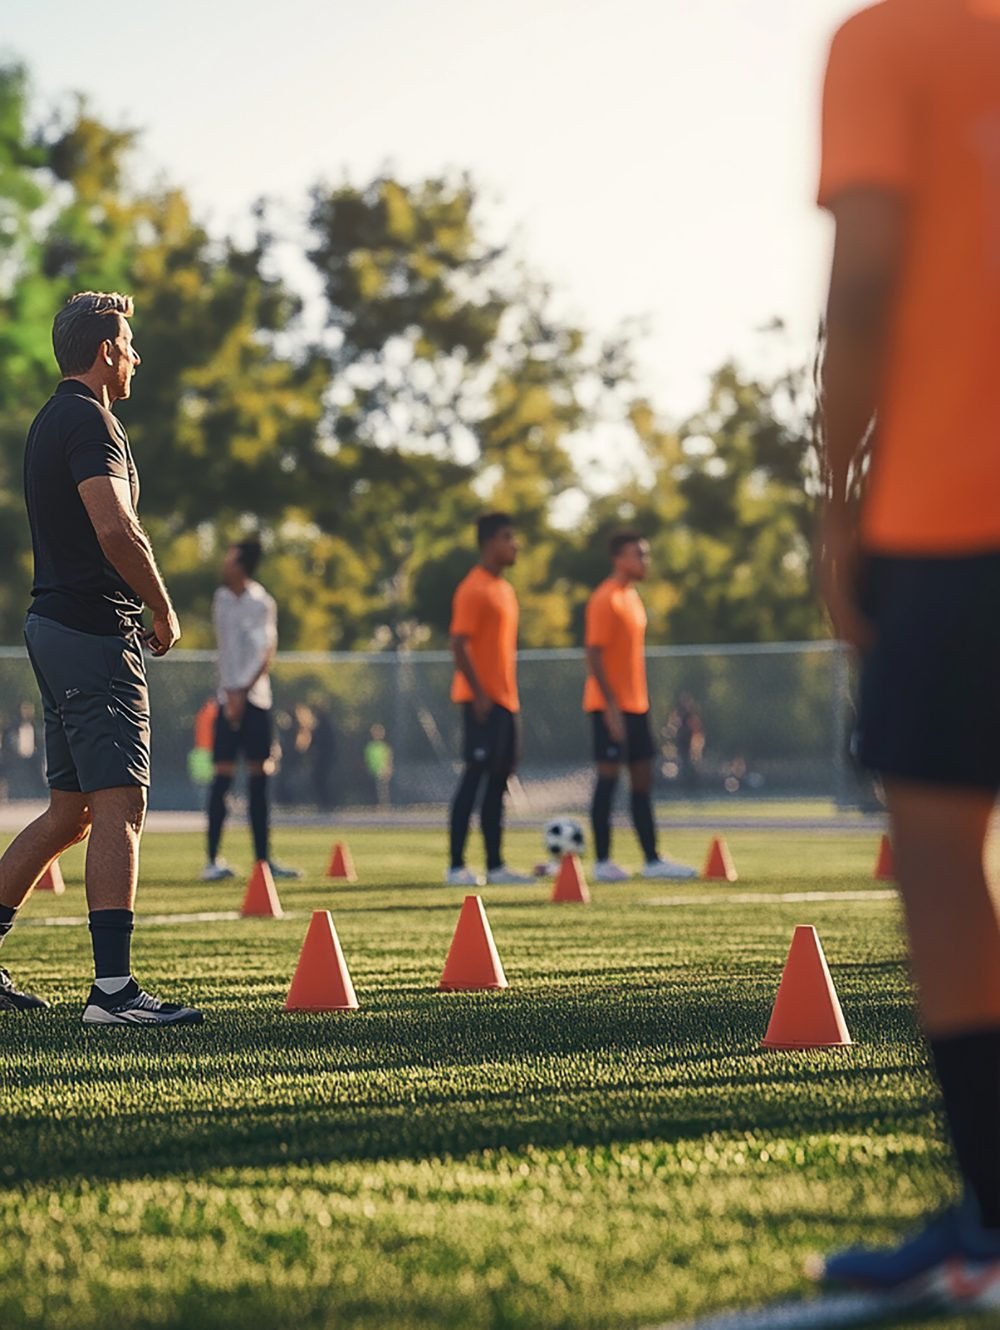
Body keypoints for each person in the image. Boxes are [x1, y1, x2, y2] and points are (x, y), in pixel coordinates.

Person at [813, 0, 1000, 1307]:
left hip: (956, 504)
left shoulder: (890, 40)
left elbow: (870, 270)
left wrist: (836, 490)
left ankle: (994, 1205)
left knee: (941, 851)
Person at [0, 290, 201, 1025]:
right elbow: (116, 529)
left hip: (54, 626)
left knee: (71, 812)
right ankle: (113, 994)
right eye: (129, 344)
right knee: (122, 803)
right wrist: (164, 604)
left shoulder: (52, 418)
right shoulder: (90, 420)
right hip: (90, 631)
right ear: (105, 351)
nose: (136, 356)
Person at [583, 533, 696, 882]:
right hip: (609, 706)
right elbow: (593, 653)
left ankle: (652, 858)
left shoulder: (633, 599)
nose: (645, 561)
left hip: (637, 705)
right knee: (608, 778)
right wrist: (611, 708)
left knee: (643, 780)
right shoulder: (605, 598)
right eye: (639, 555)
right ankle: (602, 861)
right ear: (618, 558)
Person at [203, 541, 300, 881]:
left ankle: (263, 860)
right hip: (226, 697)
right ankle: (212, 859)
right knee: (222, 778)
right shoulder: (221, 600)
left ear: (241, 564)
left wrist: (242, 692)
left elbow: (265, 651)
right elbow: (226, 651)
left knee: (260, 778)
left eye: (228, 558)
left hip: (255, 700)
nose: (223, 563)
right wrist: (229, 695)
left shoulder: (262, 603)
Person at [446, 513, 531, 886]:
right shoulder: (473, 587)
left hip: (506, 701)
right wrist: (479, 693)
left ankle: (496, 866)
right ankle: (456, 865)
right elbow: (459, 643)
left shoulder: (505, 590)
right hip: (481, 701)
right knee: (474, 777)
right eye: (508, 538)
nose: (515, 545)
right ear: (489, 543)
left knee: (500, 781)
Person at [364, 724, 393, 807]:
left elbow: (388, 758)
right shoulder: (370, 746)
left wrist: (388, 768)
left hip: (382, 771)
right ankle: (374, 804)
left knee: (382, 788)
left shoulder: (384, 746)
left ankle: (383, 804)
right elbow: (367, 759)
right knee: (373, 789)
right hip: (373, 770)